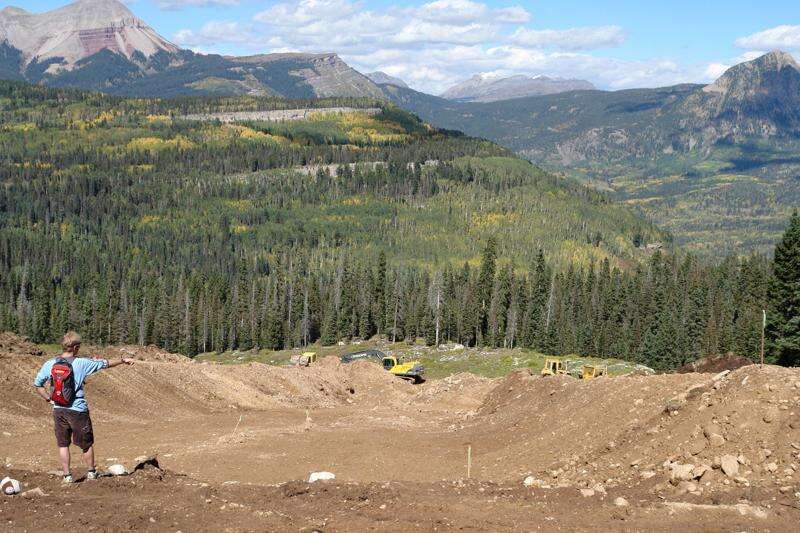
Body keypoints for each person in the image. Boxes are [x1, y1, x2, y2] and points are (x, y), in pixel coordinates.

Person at [33, 331, 134, 483]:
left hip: (59, 410)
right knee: (86, 444)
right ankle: (91, 473)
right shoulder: (82, 363)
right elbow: (105, 364)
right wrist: (122, 360)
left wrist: (49, 399)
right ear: (75, 347)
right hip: (78, 410)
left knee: (63, 445)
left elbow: (38, 385)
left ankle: (67, 476)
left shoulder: (50, 363)